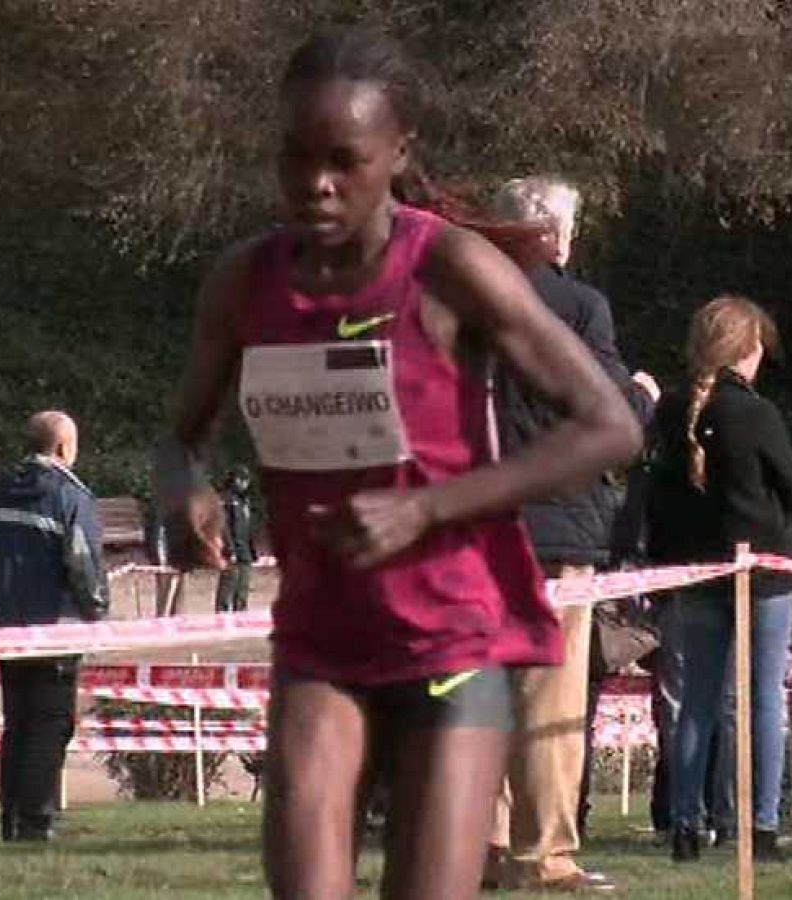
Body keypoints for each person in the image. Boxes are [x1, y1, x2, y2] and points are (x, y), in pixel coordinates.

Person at [152, 28, 641, 900]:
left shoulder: (451, 270)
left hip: (451, 634)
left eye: (344, 160)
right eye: (296, 158)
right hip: (322, 635)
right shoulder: (244, 283)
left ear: (398, 153)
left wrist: (430, 507)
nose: (316, 185)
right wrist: (183, 488)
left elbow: (609, 428)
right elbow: (181, 433)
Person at [486, 176, 659, 892]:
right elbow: (609, 421)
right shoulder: (581, 306)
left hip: (472, 519)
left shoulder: (450, 304)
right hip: (560, 524)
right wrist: (645, 397)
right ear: (555, 236)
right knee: (550, 701)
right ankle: (545, 855)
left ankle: (480, 845)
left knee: (476, 692)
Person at [646, 296, 792, 862]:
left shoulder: (670, 409)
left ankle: (687, 826)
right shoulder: (756, 413)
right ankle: (760, 824)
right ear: (748, 349)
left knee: (697, 702)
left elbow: (658, 495)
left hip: (698, 570)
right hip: (762, 569)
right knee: (765, 698)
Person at [0, 410, 109, 842]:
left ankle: (11, 819)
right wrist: (97, 612)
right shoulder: (70, 496)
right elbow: (84, 565)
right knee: (50, 725)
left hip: (8, 627)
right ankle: (36, 822)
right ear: (64, 448)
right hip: (57, 629)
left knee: (18, 724)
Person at [214, 466, 257, 613]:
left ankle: (241, 610)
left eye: (246, 480)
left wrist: (251, 550)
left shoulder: (244, 500)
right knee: (229, 582)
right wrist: (229, 548)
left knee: (243, 585)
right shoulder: (227, 500)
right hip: (231, 549)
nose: (244, 483)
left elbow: (247, 527)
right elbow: (224, 526)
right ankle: (223, 612)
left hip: (244, 549)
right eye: (241, 480)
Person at [144, 497, 187, 616]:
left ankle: (176, 617)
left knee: (178, 591)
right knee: (165, 590)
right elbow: (155, 534)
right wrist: (160, 558)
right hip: (164, 556)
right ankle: (162, 618)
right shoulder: (159, 506)